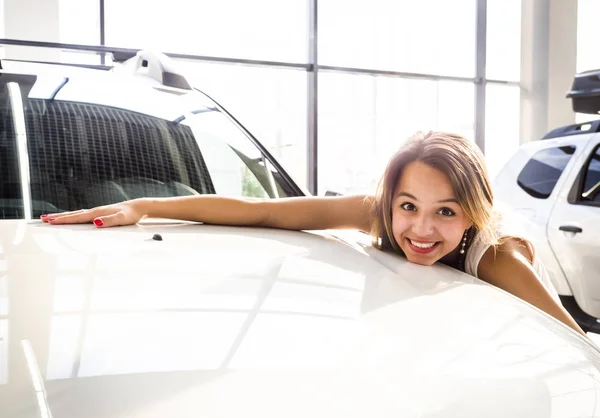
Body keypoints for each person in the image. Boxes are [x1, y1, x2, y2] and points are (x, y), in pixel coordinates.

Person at [41, 131, 587, 337]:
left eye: (446, 213)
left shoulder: (497, 259)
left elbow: (572, 343)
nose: (420, 229)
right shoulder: (374, 212)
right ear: (388, 199)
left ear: (473, 212)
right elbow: (266, 213)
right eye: (408, 206)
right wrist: (146, 205)